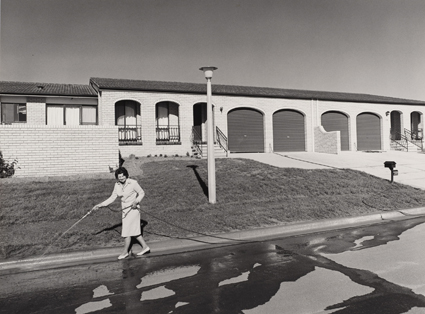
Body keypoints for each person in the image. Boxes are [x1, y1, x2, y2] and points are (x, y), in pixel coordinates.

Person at [92, 167, 150, 260]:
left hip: (133, 210)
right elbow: (112, 197)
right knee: (134, 231)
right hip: (125, 210)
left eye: (123, 177)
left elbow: (142, 193)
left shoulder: (133, 183)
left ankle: (125, 252)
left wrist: (136, 201)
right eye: (119, 177)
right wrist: (100, 205)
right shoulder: (117, 185)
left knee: (126, 232)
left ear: (126, 175)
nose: (121, 179)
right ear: (117, 178)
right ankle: (145, 247)